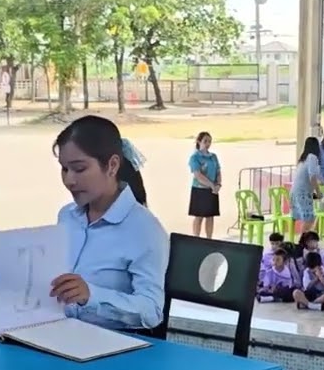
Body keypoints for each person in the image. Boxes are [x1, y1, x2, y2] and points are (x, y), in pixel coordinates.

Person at [50, 114, 166, 330]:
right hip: (62, 337)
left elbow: (152, 310)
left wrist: (91, 296)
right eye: (64, 169)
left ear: (112, 165)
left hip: (112, 349)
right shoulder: (66, 217)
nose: (69, 180)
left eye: (79, 169)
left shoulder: (145, 229)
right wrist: (16, 298)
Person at [187, 131, 221, 239]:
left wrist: (218, 184)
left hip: (212, 189)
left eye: (209, 141)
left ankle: (209, 238)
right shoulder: (195, 157)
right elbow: (198, 174)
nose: (207, 144)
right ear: (199, 141)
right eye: (205, 141)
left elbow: (218, 171)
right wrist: (211, 185)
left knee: (210, 216)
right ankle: (196, 237)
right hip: (200, 189)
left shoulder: (213, 157)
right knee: (199, 216)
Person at [291, 137, 323, 236]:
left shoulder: (303, 159)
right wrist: (318, 192)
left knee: (308, 218)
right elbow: (312, 177)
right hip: (302, 193)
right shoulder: (312, 157)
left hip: (296, 192)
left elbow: (316, 176)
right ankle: (303, 242)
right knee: (309, 219)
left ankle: (304, 240)